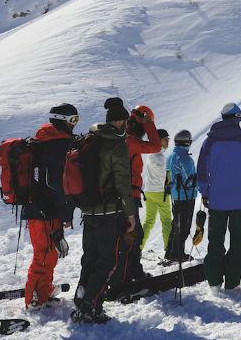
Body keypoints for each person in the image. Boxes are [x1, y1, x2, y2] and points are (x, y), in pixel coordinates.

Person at [72, 98, 137, 323]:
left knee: (90, 258)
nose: (126, 125)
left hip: (88, 211)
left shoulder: (91, 139)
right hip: (108, 213)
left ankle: (81, 302)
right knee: (107, 261)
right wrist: (130, 215)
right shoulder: (116, 145)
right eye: (125, 121)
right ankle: (91, 306)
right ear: (120, 121)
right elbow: (123, 183)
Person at [197, 103, 241, 289]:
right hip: (240, 200)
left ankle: (214, 282)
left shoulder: (210, 142)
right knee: (238, 242)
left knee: (215, 241)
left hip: (216, 201)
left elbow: (202, 170)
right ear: (237, 119)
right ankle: (232, 284)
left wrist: (205, 192)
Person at [21, 104, 77, 308]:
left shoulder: (45, 141)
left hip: (42, 208)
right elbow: (56, 183)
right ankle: (35, 297)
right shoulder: (55, 144)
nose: (74, 125)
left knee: (49, 253)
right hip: (43, 210)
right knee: (44, 253)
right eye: (72, 120)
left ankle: (43, 289)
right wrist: (65, 213)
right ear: (61, 119)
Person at [110, 98, 161, 288]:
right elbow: (156, 146)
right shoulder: (130, 141)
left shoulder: (124, 138)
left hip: (120, 195)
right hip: (128, 195)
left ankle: (126, 272)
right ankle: (130, 274)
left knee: (127, 236)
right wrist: (149, 123)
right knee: (133, 236)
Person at [164, 129, 197, 264]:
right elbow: (191, 179)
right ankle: (178, 254)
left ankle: (171, 252)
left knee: (176, 224)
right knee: (184, 225)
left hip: (176, 195)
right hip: (187, 196)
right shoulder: (186, 159)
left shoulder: (170, 156)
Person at [140, 129, 173, 255]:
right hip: (160, 193)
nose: (168, 141)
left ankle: (138, 248)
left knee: (149, 221)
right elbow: (166, 176)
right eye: (166, 139)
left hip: (149, 191)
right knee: (166, 221)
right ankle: (168, 250)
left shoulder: (151, 155)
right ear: (159, 141)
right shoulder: (161, 158)